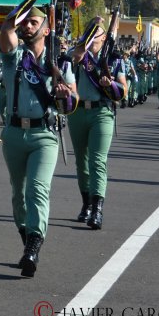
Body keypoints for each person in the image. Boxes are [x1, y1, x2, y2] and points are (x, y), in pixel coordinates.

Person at [0, 0, 77, 278]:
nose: (28, 26)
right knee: (18, 195)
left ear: (46, 29)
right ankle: (27, 240)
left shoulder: (60, 62)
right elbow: (6, 27)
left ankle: (33, 246)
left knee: (37, 189)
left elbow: (73, 102)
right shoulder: (14, 56)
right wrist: (30, 0)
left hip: (44, 135)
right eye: (26, 22)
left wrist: (64, 95)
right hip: (13, 134)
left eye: (34, 22)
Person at [69, 16, 127, 231]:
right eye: (90, 34)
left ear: (104, 38)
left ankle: (97, 209)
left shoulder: (114, 58)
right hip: (77, 112)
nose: (94, 37)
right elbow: (74, 57)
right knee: (81, 162)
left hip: (102, 112)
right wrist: (88, 31)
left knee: (98, 161)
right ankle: (86, 203)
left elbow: (123, 89)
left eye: (97, 34)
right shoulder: (78, 54)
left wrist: (110, 85)